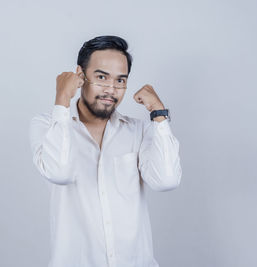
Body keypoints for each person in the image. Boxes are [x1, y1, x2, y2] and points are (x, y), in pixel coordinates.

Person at [29, 35, 182, 267]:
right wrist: (62, 98)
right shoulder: (48, 126)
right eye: (101, 77)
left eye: (120, 80)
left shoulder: (138, 130)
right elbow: (60, 173)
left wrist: (158, 113)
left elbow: (166, 181)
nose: (111, 89)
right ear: (80, 76)